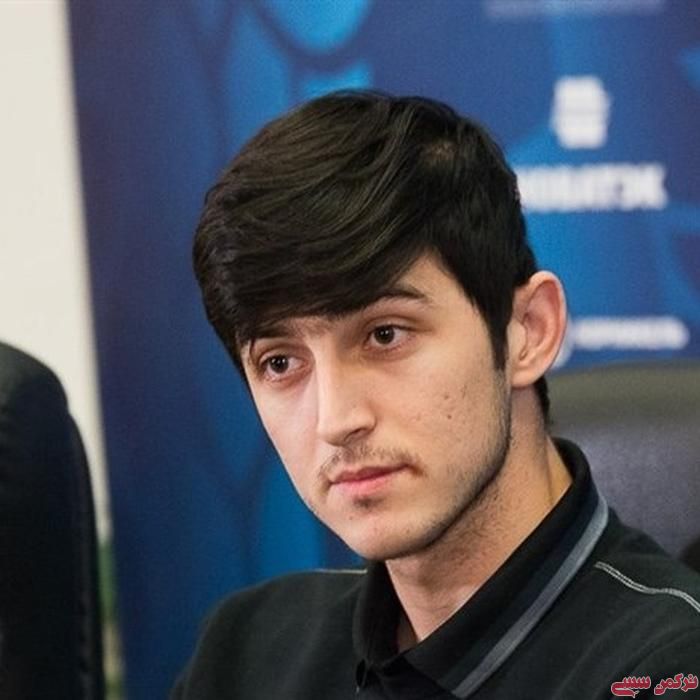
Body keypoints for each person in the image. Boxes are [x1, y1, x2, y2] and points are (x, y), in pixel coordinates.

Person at [173, 91, 700, 699]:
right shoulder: (244, 653)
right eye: (281, 362)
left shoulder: (668, 669)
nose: (336, 420)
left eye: (385, 335)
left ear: (528, 331)